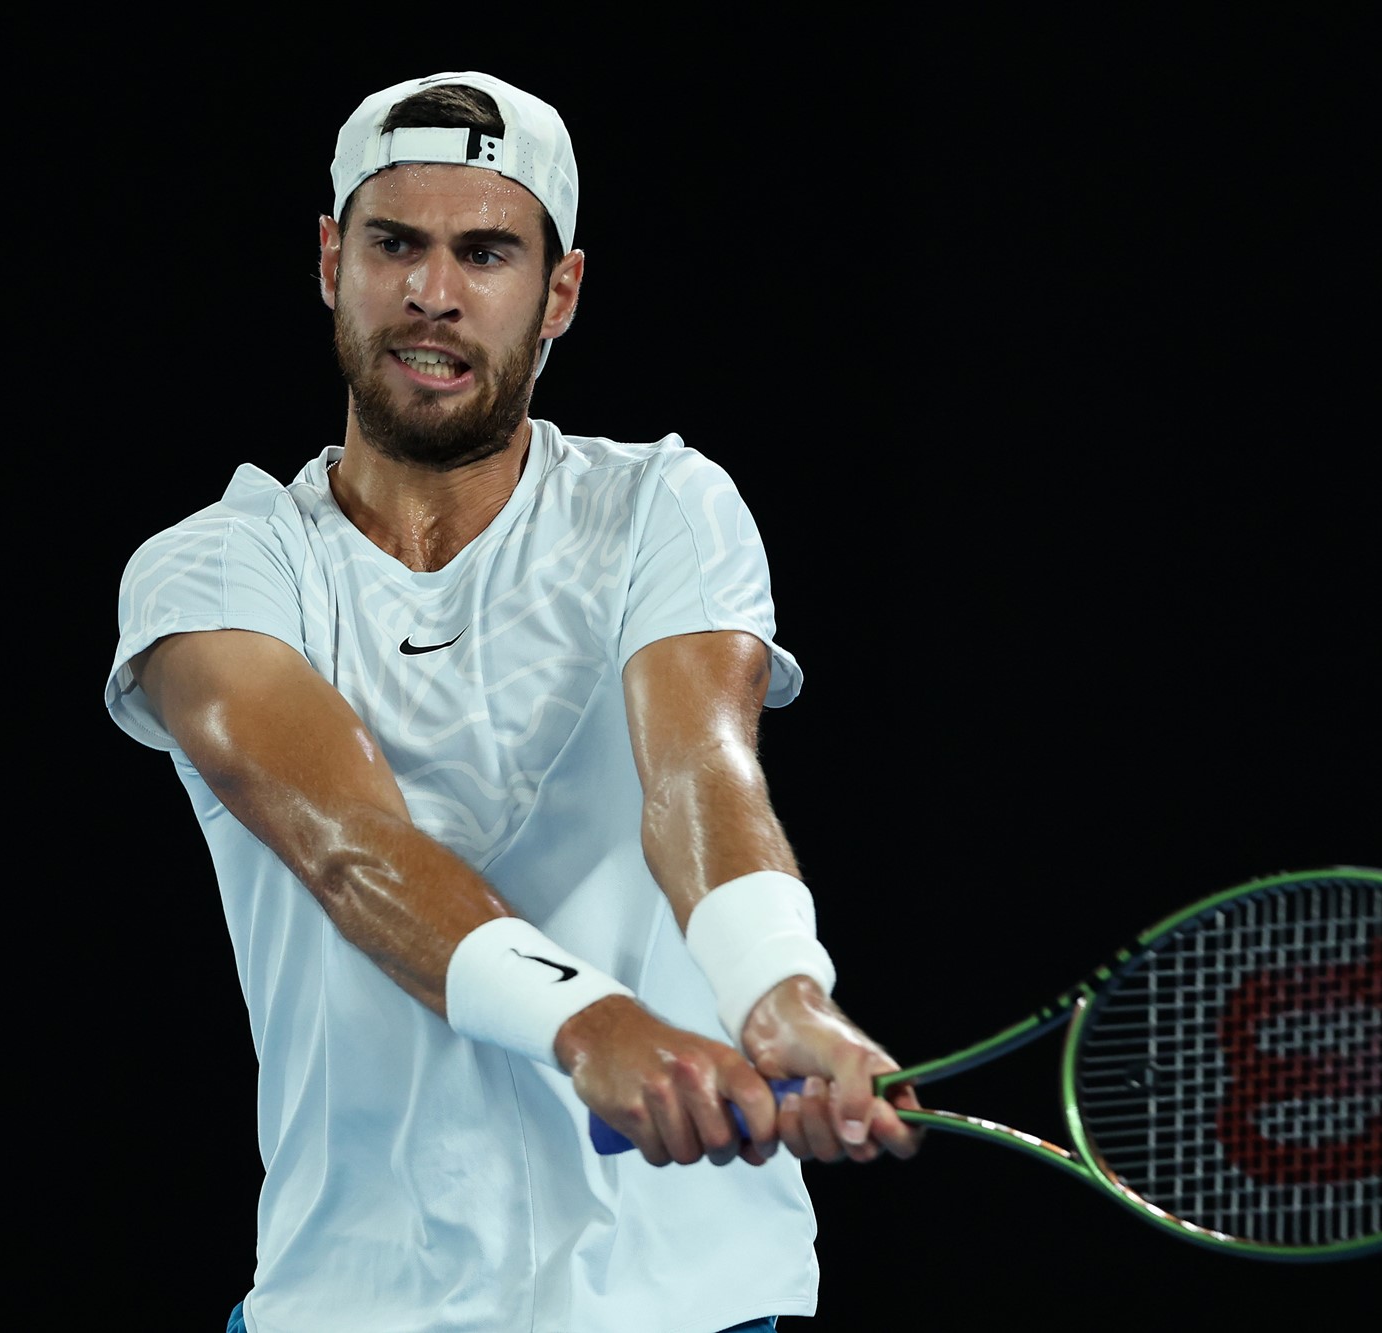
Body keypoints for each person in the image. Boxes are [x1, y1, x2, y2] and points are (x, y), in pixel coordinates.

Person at [103, 70, 922, 1333]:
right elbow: (348, 844)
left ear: (559, 294)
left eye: (485, 252)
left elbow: (697, 774)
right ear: (331, 260)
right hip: (358, 1301)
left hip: (686, 1301)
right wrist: (591, 1021)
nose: (433, 292)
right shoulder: (213, 567)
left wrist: (777, 992)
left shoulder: (663, 504)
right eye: (395, 245)